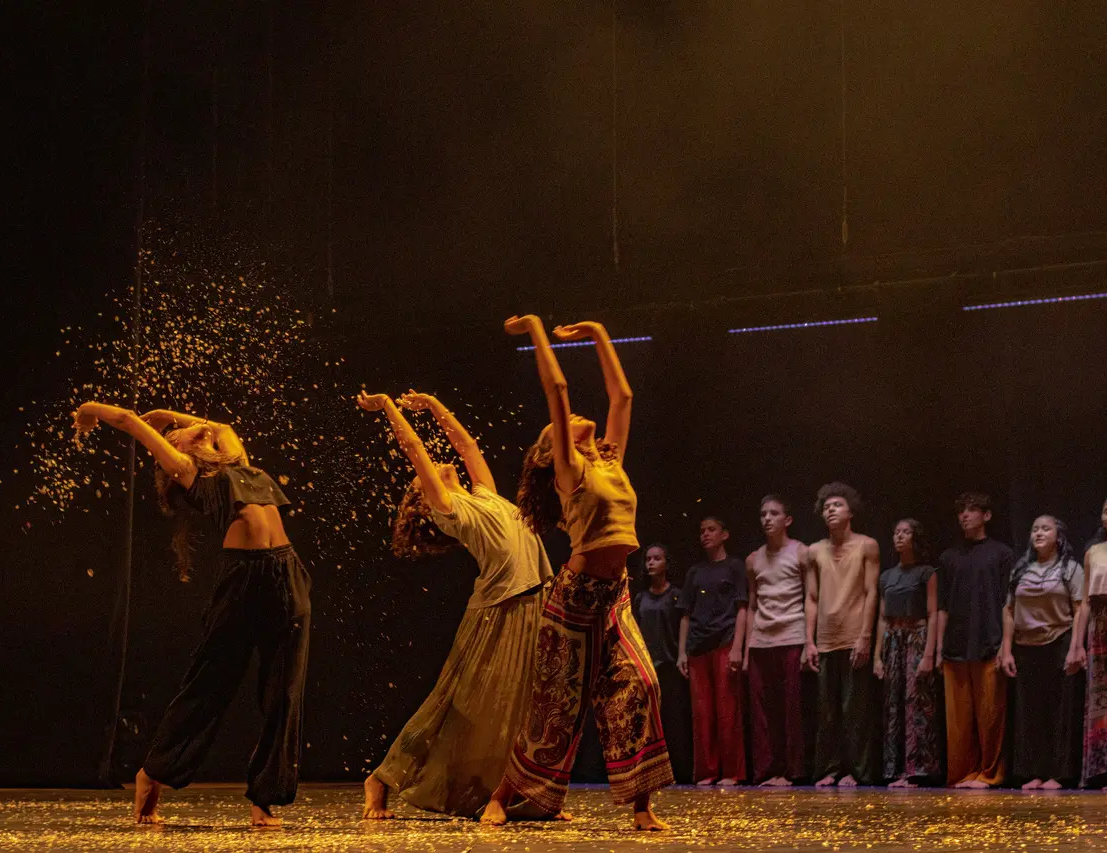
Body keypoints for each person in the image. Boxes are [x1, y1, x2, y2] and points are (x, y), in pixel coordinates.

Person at [72, 403, 309, 829]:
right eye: (180, 434)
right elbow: (127, 421)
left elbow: (222, 424)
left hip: (289, 574)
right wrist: (90, 411)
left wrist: (167, 413)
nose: (192, 431)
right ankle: (154, 772)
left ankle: (265, 799)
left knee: (285, 692)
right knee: (210, 683)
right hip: (244, 580)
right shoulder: (188, 472)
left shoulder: (238, 460)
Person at [482, 315, 673, 831]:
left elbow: (624, 397)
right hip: (573, 601)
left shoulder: (610, 461)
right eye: (560, 428)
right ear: (552, 452)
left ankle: (640, 804)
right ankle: (501, 796)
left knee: (641, 685)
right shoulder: (570, 471)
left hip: (615, 596)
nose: (574, 418)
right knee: (553, 709)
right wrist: (537, 329)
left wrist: (597, 335)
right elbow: (558, 387)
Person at [356, 390, 553, 819]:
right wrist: (389, 408)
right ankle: (381, 778)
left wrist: (433, 406)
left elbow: (467, 446)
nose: (431, 470)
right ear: (424, 501)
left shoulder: (483, 494)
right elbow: (415, 451)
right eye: (420, 480)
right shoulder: (448, 508)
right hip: (497, 611)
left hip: (534, 600)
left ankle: (519, 794)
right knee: (453, 701)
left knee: (522, 708)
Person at [999, 515, 1085, 789]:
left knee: (1058, 711)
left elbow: (1081, 609)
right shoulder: (1021, 569)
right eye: (1034, 528)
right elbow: (1009, 610)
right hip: (1026, 646)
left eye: (1045, 529)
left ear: (1058, 537)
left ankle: (1059, 774)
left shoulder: (1070, 569)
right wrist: (1007, 649)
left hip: (1059, 641)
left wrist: (1076, 647)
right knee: (1031, 713)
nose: (1038, 533)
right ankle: (1034, 772)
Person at [804, 482, 881, 787]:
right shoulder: (814, 551)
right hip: (825, 638)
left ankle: (856, 770)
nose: (831, 510)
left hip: (853, 635)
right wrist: (808, 641)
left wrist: (865, 636)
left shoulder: (867, 545)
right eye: (826, 507)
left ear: (851, 511)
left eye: (837, 505)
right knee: (827, 710)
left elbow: (871, 591)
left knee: (855, 710)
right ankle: (828, 769)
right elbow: (811, 597)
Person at [936, 491, 1014, 789]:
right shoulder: (948, 557)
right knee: (958, 721)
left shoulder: (1002, 554)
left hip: (988, 641)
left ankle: (990, 773)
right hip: (955, 645)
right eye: (961, 511)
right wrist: (938, 647)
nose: (964, 516)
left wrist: (1005, 646)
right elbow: (942, 606)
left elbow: (1009, 603)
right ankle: (963, 772)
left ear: (987, 515)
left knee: (990, 715)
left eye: (971, 510)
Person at [677, 516, 748, 786]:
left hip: (724, 641)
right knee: (702, 713)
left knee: (727, 710)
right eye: (702, 530)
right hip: (697, 645)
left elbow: (742, 607)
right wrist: (683, 652)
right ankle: (707, 771)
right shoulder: (695, 572)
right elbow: (685, 614)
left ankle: (732, 772)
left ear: (724, 534)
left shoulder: (734, 566)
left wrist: (738, 648)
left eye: (711, 530)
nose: (705, 534)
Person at [873, 519, 943, 787]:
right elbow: (881, 617)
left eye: (905, 532)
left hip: (917, 637)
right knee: (893, 705)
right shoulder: (887, 576)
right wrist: (878, 656)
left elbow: (933, 613)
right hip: (893, 640)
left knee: (917, 703)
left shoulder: (927, 572)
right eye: (896, 531)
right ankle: (895, 769)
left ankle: (917, 770)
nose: (899, 536)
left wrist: (928, 653)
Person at [744, 495, 808, 787]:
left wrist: (809, 641)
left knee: (790, 708)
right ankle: (766, 771)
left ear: (788, 520)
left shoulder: (801, 552)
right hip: (761, 640)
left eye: (774, 513)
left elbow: (810, 597)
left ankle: (790, 770)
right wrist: (746, 648)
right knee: (762, 711)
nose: (767, 519)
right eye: (763, 514)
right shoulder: (753, 559)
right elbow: (753, 604)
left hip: (791, 635)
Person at [633, 543, 694, 782]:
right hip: (647, 665)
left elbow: (682, 624)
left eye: (656, 558)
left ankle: (677, 771)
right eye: (648, 559)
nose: (650, 563)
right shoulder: (640, 597)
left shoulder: (676, 595)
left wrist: (681, 654)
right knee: (647, 722)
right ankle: (647, 773)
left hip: (669, 665)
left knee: (673, 719)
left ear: (666, 563)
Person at [1083, 495, 1107, 787]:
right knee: (1102, 697)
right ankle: (1104, 769)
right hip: (1100, 626)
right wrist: (1075, 645)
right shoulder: (1093, 552)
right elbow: (1084, 601)